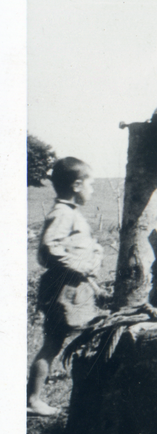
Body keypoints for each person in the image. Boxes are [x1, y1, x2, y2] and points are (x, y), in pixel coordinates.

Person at [29, 157, 104, 416]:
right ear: (76, 184)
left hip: (75, 291)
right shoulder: (63, 214)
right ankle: (34, 400)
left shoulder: (71, 214)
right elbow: (49, 248)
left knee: (64, 340)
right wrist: (81, 266)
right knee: (56, 342)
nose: (92, 191)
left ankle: (38, 398)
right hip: (64, 291)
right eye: (90, 185)